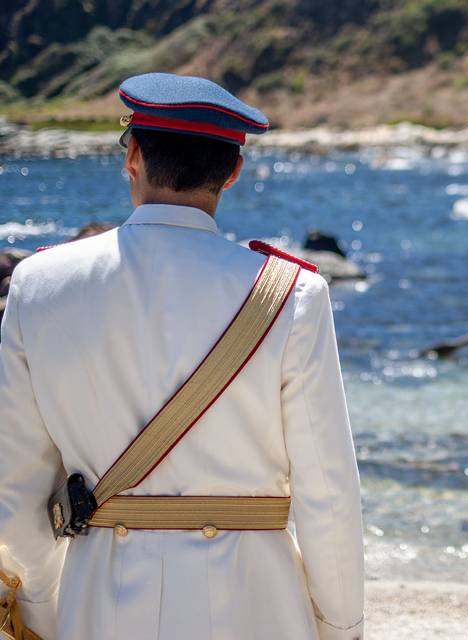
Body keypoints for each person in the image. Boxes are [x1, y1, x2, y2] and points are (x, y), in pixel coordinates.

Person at [0, 73, 364, 639]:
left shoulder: (39, 284)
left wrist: (44, 608)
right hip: (256, 605)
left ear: (134, 156)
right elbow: (329, 492)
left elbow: (14, 484)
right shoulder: (289, 293)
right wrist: (341, 626)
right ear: (234, 171)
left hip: (99, 600)